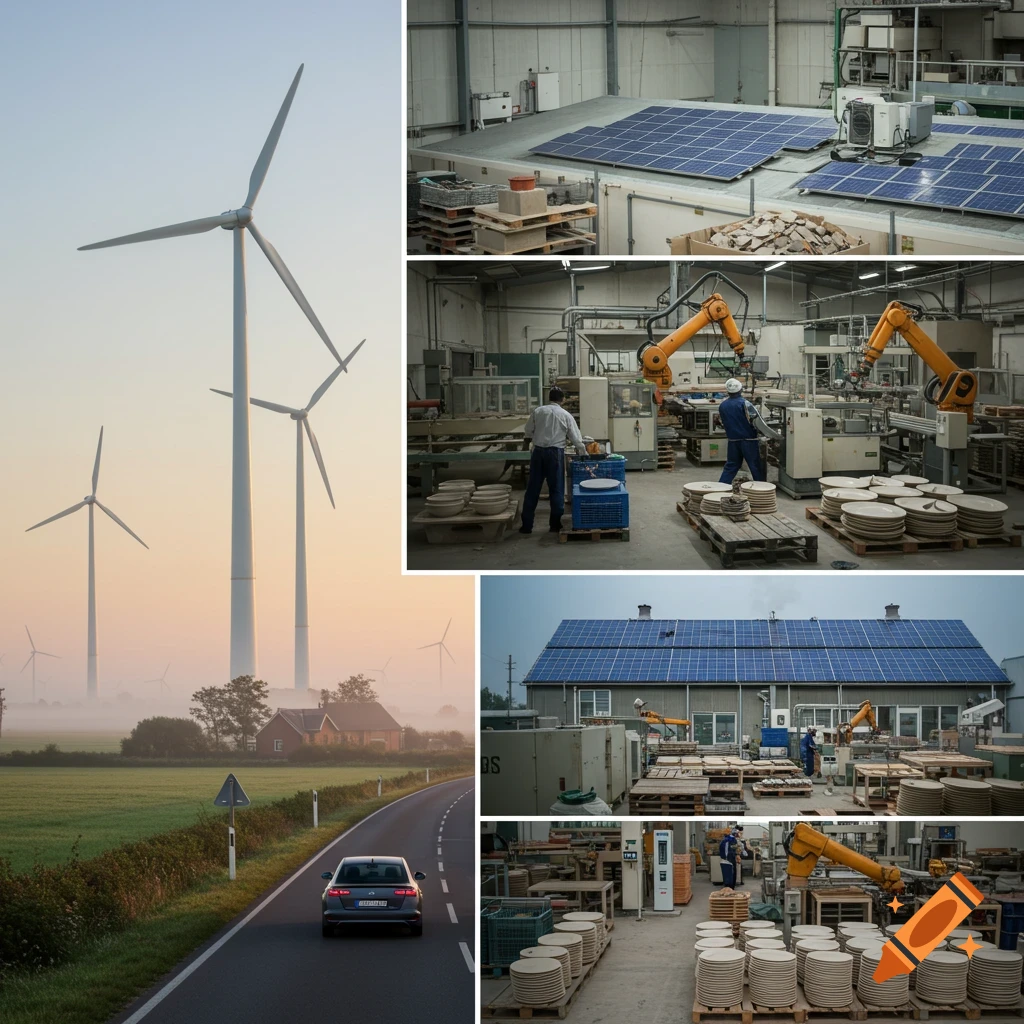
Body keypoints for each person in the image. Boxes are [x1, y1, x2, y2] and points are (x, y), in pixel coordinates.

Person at [519, 386, 588, 535]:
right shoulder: (565, 415)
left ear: (549, 398)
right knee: (556, 489)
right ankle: (555, 525)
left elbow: (528, 431)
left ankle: (526, 526)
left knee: (532, 489)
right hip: (555, 454)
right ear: (562, 400)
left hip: (538, 453)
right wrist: (583, 452)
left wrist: (529, 445)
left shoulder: (538, 411)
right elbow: (576, 438)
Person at [717, 377, 769, 484]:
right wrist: (766, 433)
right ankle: (761, 489)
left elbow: (722, 422)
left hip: (733, 441)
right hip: (749, 440)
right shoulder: (745, 404)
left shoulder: (722, 406)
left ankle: (721, 487)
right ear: (741, 390)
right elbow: (756, 421)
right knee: (755, 466)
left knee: (731, 466)